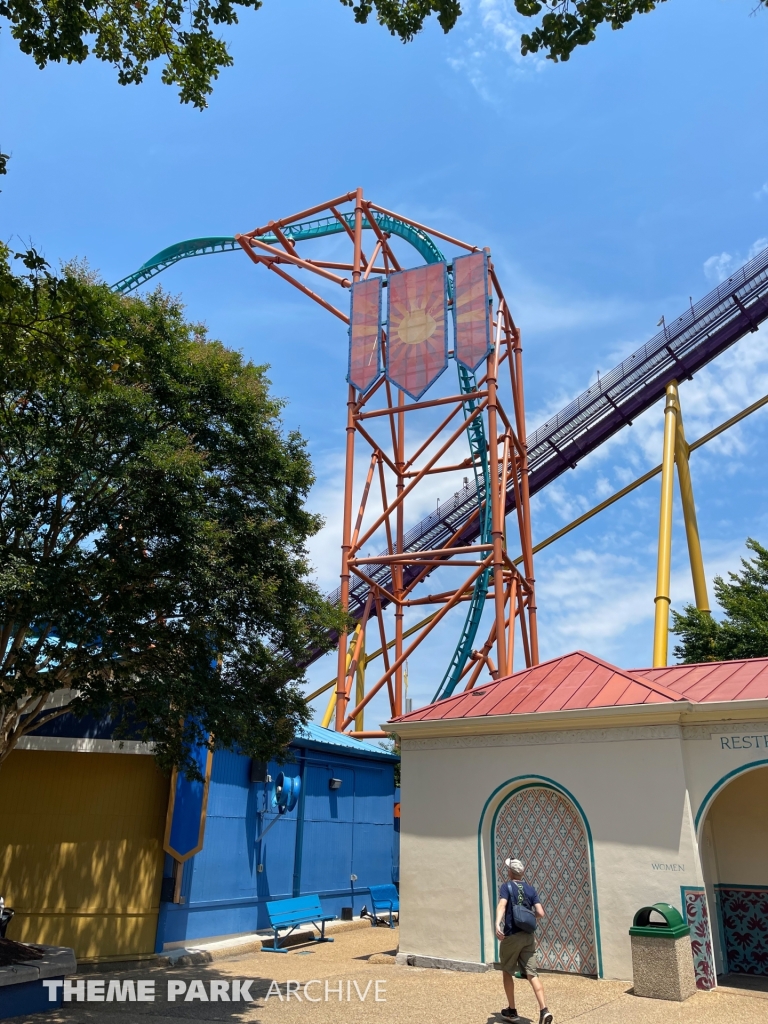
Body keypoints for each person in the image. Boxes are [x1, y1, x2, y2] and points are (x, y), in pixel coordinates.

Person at [495, 858, 553, 1024]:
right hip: (528, 936)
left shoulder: (506, 887)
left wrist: (497, 923)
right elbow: (541, 912)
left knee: (507, 970)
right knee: (531, 973)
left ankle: (512, 1011)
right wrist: (528, 917)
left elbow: (502, 906)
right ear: (521, 873)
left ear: (510, 872)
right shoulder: (530, 889)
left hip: (512, 935)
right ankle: (544, 1010)